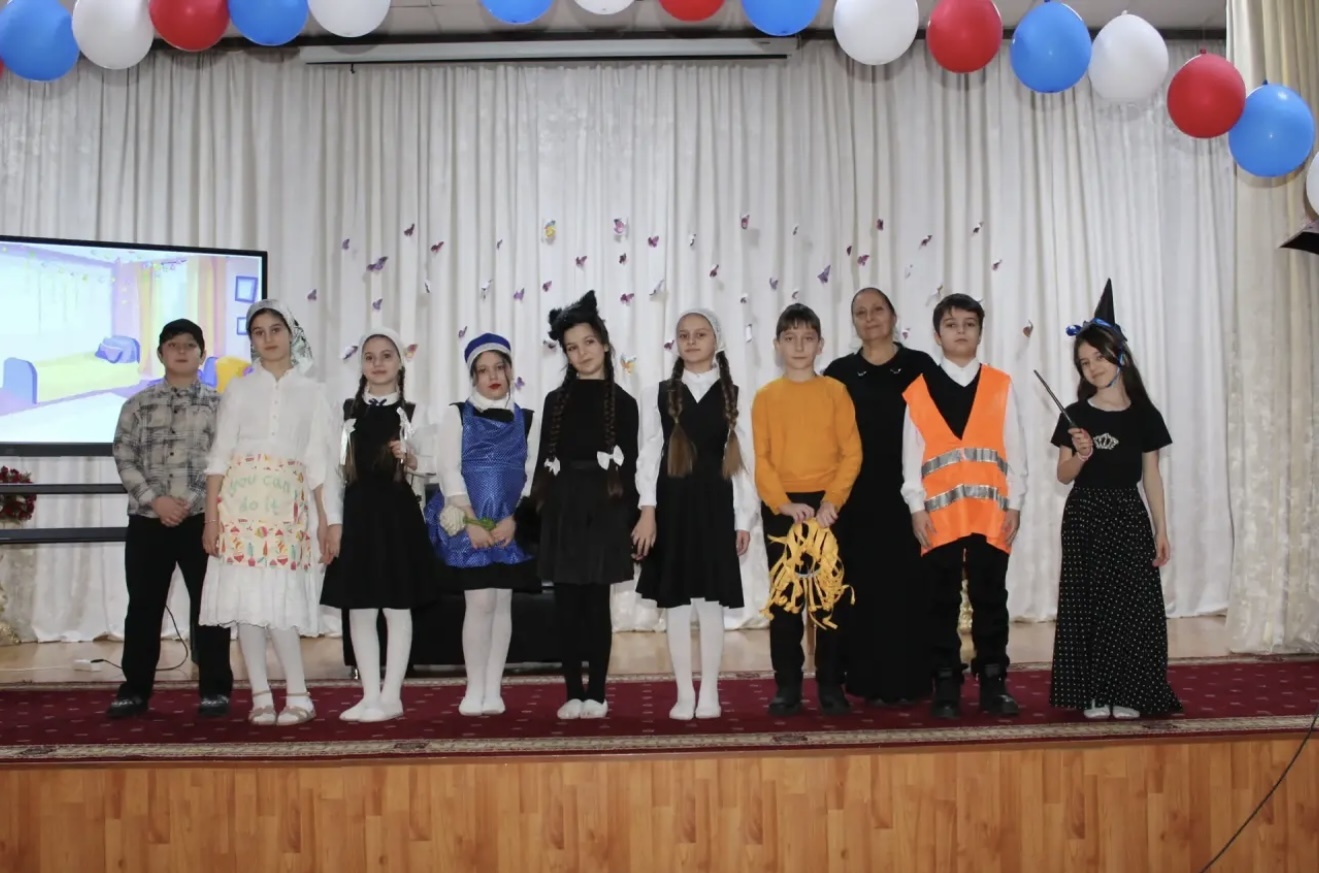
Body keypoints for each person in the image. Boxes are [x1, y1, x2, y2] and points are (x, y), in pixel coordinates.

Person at [199, 299, 342, 727]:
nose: (268, 339)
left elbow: (320, 465)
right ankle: (260, 695)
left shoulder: (314, 393)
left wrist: (328, 522)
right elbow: (219, 457)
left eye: (275, 330)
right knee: (247, 605)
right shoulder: (239, 390)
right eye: (258, 332)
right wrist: (211, 519)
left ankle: (299, 694)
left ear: (291, 333)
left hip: (287, 513)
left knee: (280, 604)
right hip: (238, 510)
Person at [1049, 281, 1181, 720]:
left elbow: (1152, 475)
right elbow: (1063, 474)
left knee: (1132, 608)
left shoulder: (1145, 415)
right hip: (1085, 514)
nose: (1092, 367)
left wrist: (1161, 529)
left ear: (1119, 355)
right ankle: (1092, 692)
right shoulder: (1075, 414)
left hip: (1128, 515)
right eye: (1084, 362)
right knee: (1087, 604)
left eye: (1099, 357)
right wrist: (1081, 456)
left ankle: (1129, 691)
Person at [901, 293, 1026, 719]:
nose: (960, 331)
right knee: (940, 600)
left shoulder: (1000, 385)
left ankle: (993, 680)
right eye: (951, 325)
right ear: (937, 335)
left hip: (991, 512)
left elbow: (1015, 449)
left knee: (991, 597)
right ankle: (946, 682)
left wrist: (1015, 503)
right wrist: (916, 507)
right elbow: (911, 456)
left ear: (980, 332)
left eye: (969, 324)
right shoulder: (918, 391)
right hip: (939, 515)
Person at [105, 319, 234, 719]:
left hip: (202, 520)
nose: (181, 351)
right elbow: (123, 455)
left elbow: (223, 459)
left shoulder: (220, 406)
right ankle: (135, 690)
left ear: (202, 354)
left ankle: (215, 689)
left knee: (210, 608)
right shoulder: (137, 404)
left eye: (189, 345)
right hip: (148, 520)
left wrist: (189, 501)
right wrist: (155, 500)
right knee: (143, 607)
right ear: (161, 353)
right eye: (173, 344)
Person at [633, 309, 756, 720]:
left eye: (700, 334)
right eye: (683, 334)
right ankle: (684, 693)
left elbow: (744, 463)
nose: (691, 341)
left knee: (710, 604)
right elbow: (649, 456)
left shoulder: (734, 395)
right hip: (673, 509)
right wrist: (647, 510)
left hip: (716, 508)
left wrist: (743, 520)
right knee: (677, 605)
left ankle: (710, 693)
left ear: (716, 341)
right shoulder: (658, 393)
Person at [529, 291, 641, 720]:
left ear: (605, 344)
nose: (582, 353)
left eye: (589, 342)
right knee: (566, 608)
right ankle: (572, 691)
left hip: (605, 513)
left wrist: (630, 522)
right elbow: (543, 465)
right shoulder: (554, 402)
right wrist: (536, 518)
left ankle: (597, 692)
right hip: (562, 512)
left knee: (596, 607)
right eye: (572, 347)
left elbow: (630, 470)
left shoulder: (625, 404)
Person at [824, 288, 937, 705]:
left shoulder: (921, 367)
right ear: (853, 321)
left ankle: (913, 679)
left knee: (910, 588)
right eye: (860, 312)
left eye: (877, 310)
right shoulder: (838, 373)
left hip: (911, 497)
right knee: (860, 589)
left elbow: (938, 432)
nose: (869, 317)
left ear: (893, 316)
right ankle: (862, 679)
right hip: (854, 499)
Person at [751, 303, 863, 716]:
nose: (799, 346)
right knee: (786, 602)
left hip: (828, 507)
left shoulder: (836, 392)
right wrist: (782, 503)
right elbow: (762, 458)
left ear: (821, 344)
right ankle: (787, 685)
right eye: (790, 338)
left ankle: (831, 684)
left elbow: (852, 452)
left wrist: (832, 501)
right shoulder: (766, 397)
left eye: (807, 338)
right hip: (783, 507)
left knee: (828, 601)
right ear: (777, 345)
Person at [321, 328, 437, 723]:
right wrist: (334, 523)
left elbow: (433, 464)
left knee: (397, 608)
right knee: (360, 609)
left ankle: (392, 696)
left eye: (386, 355)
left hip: (397, 518)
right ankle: (369, 694)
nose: (378, 363)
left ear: (400, 362)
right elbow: (333, 473)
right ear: (361, 365)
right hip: (357, 517)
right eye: (369, 357)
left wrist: (413, 458)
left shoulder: (416, 412)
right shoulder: (345, 412)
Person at [426, 332, 541, 717]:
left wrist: (515, 520)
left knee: (502, 602)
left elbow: (532, 476)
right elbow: (448, 469)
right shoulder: (458, 414)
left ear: (510, 371)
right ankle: (474, 687)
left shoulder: (528, 419)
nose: (492, 376)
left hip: (508, 524)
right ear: (473, 376)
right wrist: (471, 521)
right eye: (483, 370)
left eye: (499, 368)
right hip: (471, 521)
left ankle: (494, 688)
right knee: (480, 602)